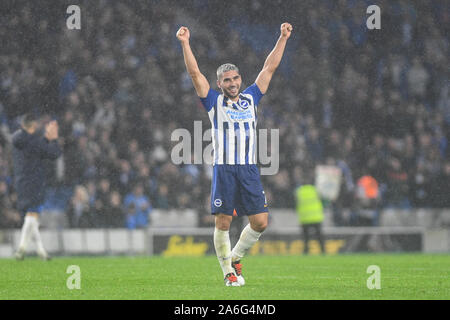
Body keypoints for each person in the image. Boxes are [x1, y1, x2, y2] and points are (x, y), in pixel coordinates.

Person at [176, 22, 292, 286]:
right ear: (220, 83)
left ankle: (236, 256)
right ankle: (228, 272)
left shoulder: (251, 97)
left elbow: (269, 68)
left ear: (240, 79)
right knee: (223, 223)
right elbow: (195, 74)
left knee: (261, 222)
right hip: (225, 168)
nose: (232, 83)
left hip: (248, 169)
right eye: (226, 80)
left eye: (235, 78)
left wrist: (282, 37)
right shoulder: (214, 102)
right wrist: (185, 43)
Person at [12, 113, 62, 260]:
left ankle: (41, 251)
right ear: (33, 125)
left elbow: (36, 147)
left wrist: (45, 139)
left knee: (31, 218)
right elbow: (54, 153)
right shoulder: (34, 142)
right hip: (35, 183)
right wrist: (53, 138)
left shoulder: (17, 139)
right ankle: (21, 249)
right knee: (32, 216)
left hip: (21, 182)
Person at [295, 184, 326, 255]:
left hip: (305, 218)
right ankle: (323, 252)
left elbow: (295, 203)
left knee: (306, 239)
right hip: (316, 217)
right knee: (320, 237)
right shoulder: (315, 189)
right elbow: (324, 201)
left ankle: (306, 252)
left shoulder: (299, 191)